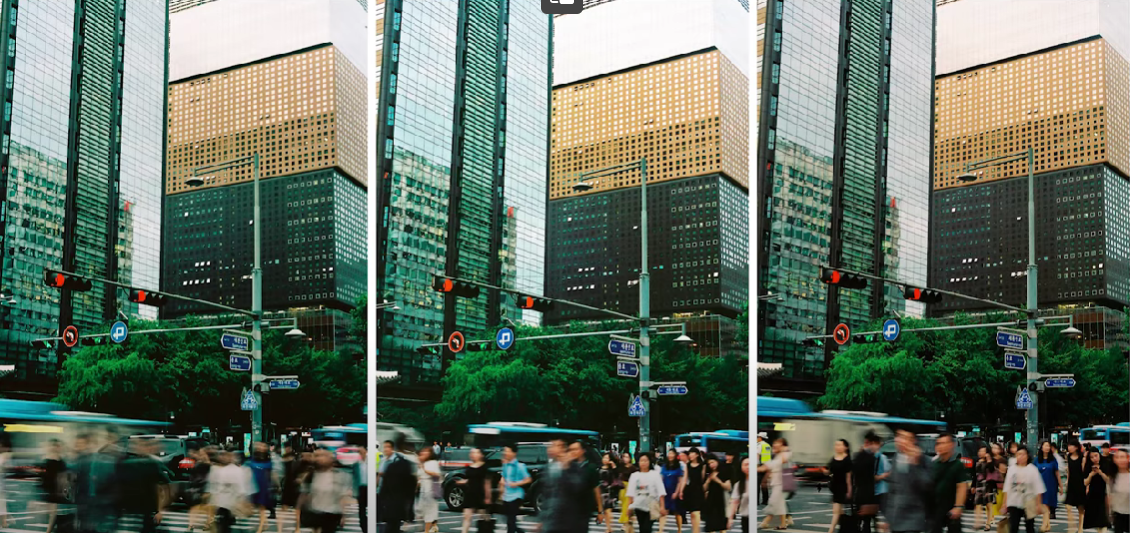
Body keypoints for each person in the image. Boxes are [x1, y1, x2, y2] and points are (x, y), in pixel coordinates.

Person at [886, 430, 932, 533]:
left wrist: (915, 464)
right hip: (896, 519)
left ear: (913, 441)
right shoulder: (896, 458)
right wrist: (888, 518)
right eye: (899, 436)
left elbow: (926, 486)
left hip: (913, 519)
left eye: (905, 438)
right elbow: (893, 490)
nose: (900, 440)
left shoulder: (923, 459)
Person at [120, 438, 170, 533]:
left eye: (142, 445)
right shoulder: (130, 462)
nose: (138, 447)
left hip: (149, 508)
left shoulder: (153, 463)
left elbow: (162, 487)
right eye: (136, 445)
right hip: (134, 509)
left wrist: (160, 511)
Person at [299, 448, 353, 533]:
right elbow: (303, 495)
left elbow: (341, 497)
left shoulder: (338, 475)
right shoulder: (311, 475)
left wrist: (343, 515)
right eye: (317, 456)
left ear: (330, 459)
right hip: (315, 512)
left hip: (332, 513)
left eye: (322, 456)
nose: (319, 459)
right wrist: (299, 510)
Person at [1001, 446, 1046, 533]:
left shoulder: (1033, 469)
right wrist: (1004, 503)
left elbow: (1038, 488)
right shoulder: (1012, 469)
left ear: (1027, 456)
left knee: (1029, 527)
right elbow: (1007, 487)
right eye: (1018, 454)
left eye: (1023, 454)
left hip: (1029, 501)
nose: (1021, 457)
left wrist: (1038, 504)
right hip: (1013, 501)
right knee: (1013, 527)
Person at [930, 434, 969, 533]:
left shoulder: (957, 465)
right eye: (938, 443)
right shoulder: (934, 464)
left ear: (952, 445)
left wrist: (958, 506)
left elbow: (962, 486)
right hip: (935, 507)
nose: (941, 446)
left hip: (951, 508)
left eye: (944, 443)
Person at [207, 449, 252, 533]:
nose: (223, 458)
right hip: (221, 503)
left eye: (225, 455)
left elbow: (240, 487)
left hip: (230, 503)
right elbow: (215, 486)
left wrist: (242, 501)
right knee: (223, 526)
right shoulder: (218, 469)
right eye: (221, 455)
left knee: (225, 526)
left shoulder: (236, 470)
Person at [378, 437, 416, 533]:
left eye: (388, 447)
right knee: (391, 525)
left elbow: (409, 483)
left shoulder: (396, 462)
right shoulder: (385, 461)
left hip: (395, 499)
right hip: (391, 498)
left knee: (392, 525)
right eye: (384, 447)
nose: (386, 449)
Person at [627, 452, 666, 533]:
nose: (643, 463)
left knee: (646, 528)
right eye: (641, 461)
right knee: (642, 527)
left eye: (646, 460)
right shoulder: (634, 475)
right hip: (638, 504)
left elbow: (661, 491)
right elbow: (631, 493)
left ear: (649, 462)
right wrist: (629, 507)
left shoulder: (655, 474)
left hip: (651, 504)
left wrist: (662, 506)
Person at [248, 442, 283, 533]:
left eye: (262, 446)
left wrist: (278, 486)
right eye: (258, 446)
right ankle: (265, 524)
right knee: (258, 507)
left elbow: (273, 474)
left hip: (264, 487)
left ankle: (260, 528)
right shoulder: (252, 459)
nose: (260, 447)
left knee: (261, 508)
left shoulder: (268, 461)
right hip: (253, 486)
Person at [758, 438, 790, 530]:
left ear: (783, 445)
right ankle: (783, 523)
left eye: (777, 443)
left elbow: (779, 462)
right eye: (774, 443)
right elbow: (770, 466)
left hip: (782, 483)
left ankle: (766, 522)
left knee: (774, 503)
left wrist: (761, 468)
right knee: (778, 503)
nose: (774, 445)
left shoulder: (786, 454)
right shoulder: (778, 455)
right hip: (777, 483)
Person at [457, 447, 492, 533]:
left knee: (484, 517)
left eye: (475, 452)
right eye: (472, 453)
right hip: (470, 494)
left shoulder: (484, 467)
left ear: (481, 455)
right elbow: (470, 479)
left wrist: (488, 497)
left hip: (480, 494)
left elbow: (487, 483)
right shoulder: (469, 467)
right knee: (466, 516)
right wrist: (462, 482)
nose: (473, 454)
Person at [498, 444, 532, 533]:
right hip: (506, 495)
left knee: (511, 520)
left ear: (514, 453)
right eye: (504, 451)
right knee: (509, 521)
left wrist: (516, 483)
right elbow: (504, 477)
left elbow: (528, 479)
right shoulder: (505, 465)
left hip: (516, 495)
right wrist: (502, 484)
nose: (505, 453)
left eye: (507, 451)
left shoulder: (520, 466)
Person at [823, 439, 853, 533]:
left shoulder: (847, 460)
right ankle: (844, 528)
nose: (837, 447)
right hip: (834, 486)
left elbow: (848, 477)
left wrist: (849, 490)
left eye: (840, 445)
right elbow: (829, 471)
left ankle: (831, 530)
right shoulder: (834, 458)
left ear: (845, 447)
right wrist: (825, 471)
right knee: (840, 511)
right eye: (836, 445)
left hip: (842, 487)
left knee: (836, 511)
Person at [865, 434, 892, 533]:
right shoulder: (871, 457)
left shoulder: (881, 457)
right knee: (871, 517)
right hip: (875, 490)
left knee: (877, 515)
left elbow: (888, 473)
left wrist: (879, 477)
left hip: (880, 490)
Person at [853, 433, 879, 533]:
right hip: (868, 493)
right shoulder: (871, 457)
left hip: (860, 492)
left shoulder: (858, 456)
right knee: (867, 521)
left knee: (861, 520)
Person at [41, 438, 68, 533]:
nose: (54, 448)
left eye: (56, 446)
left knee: (53, 511)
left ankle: (49, 530)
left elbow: (63, 476)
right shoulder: (49, 460)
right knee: (51, 511)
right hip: (50, 488)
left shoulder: (60, 461)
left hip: (55, 488)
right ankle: (50, 528)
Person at [1033, 441, 1061, 532]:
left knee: (1046, 505)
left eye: (1048, 446)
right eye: (1045, 446)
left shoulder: (1053, 460)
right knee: (1043, 504)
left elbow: (1057, 473)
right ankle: (1047, 525)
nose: (1047, 447)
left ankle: (1044, 525)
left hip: (1051, 485)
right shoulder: (1037, 460)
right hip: (1039, 485)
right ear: (1041, 448)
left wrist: (1061, 486)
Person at [1082, 449, 1111, 533]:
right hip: (1092, 496)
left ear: (1099, 454)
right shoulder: (1088, 467)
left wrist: (1100, 472)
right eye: (1092, 457)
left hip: (1103, 495)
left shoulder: (1105, 464)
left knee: (1103, 521)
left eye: (1096, 456)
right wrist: (1091, 475)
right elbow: (1085, 483)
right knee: (1097, 522)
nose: (1094, 458)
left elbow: (1108, 481)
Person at [658, 449, 687, 533]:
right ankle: (660, 530)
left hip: (674, 491)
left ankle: (679, 530)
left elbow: (680, 481)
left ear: (675, 455)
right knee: (663, 511)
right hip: (665, 491)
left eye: (672, 454)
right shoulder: (664, 466)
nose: (670, 455)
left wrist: (677, 492)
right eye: (669, 454)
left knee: (676, 512)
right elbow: (661, 478)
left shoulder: (679, 467)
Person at [702, 456, 731, 533]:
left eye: (712, 462)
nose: (711, 465)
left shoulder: (723, 472)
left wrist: (718, 480)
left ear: (717, 461)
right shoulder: (709, 474)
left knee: (722, 525)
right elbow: (704, 489)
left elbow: (728, 487)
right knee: (710, 525)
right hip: (710, 502)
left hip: (721, 501)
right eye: (709, 464)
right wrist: (708, 481)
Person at [972, 446, 999, 531]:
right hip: (979, 486)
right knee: (977, 504)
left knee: (989, 505)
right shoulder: (977, 462)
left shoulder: (991, 461)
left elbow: (992, 470)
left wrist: (989, 460)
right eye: (980, 451)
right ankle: (978, 522)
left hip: (988, 486)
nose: (980, 453)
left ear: (987, 453)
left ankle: (988, 523)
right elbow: (975, 475)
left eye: (983, 451)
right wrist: (973, 485)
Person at [188, 447, 214, 531]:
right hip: (198, 488)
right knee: (196, 507)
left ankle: (209, 523)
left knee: (207, 507)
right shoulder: (199, 464)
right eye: (200, 454)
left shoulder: (210, 465)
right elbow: (193, 476)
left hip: (207, 488)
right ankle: (191, 525)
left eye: (203, 454)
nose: (201, 455)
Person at [415, 447, 441, 533]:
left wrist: (424, 469)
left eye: (426, 452)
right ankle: (434, 526)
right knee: (422, 509)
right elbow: (419, 476)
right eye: (423, 451)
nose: (424, 453)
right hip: (423, 488)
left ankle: (426, 531)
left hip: (430, 487)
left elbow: (436, 474)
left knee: (428, 509)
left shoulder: (433, 463)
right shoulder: (423, 463)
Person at [1063, 441, 1086, 533]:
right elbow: (1069, 470)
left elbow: (1084, 472)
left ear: (1076, 447)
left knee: (1080, 508)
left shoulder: (1082, 458)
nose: (1069, 447)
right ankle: (1072, 526)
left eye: (1071, 446)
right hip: (1071, 484)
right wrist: (1067, 481)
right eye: (1068, 446)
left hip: (1080, 484)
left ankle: (1080, 528)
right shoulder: (1068, 457)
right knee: (1068, 506)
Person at [684, 448, 707, 533]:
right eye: (689, 453)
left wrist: (705, 490)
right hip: (690, 490)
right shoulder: (688, 465)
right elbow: (685, 478)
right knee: (692, 513)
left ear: (697, 455)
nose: (690, 455)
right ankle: (695, 530)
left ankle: (696, 531)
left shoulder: (702, 465)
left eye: (692, 453)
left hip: (699, 489)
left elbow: (703, 478)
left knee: (696, 512)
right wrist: (681, 490)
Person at [599, 453, 624, 533]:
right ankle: (608, 527)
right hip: (601, 491)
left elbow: (617, 476)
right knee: (605, 511)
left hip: (610, 491)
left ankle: (610, 527)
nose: (605, 459)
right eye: (604, 457)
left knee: (608, 510)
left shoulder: (612, 469)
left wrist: (613, 466)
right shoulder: (599, 468)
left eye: (607, 458)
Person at [728, 457, 750, 533]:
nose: (748, 467)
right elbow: (734, 501)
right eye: (746, 464)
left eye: (750, 464)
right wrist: (730, 518)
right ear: (741, 467)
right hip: (746, 517)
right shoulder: (739, 484)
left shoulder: (758, 481)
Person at [1109, 449, 1128, 533]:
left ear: (1127, 458)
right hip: (1118, 514)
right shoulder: (1113, 476)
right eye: (1118, 457)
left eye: (1122, 457)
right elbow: (1110, 496)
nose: (1120, 460)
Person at [758, 433, 772, 506]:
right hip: (767, 466)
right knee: (764, 484)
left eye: (758, 437)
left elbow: (757, 456)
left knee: (757, 483)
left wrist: (756, 466)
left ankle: (756, 500)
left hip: (761, 466)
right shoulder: (767, 445)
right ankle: (765, 500)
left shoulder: (759, 445)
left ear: (760, 438)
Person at [0, 433, 8, 529]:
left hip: (1, 486)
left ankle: (4, 522)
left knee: (2, 504)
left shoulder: (3, 457)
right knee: (2, 505)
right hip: (1, 486)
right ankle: (4, 522)